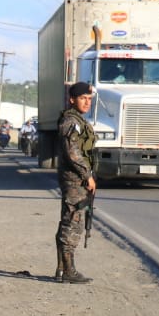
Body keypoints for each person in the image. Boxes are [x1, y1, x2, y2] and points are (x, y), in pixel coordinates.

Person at [54, 81, 96, 284]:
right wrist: (87, 175)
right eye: (83, 98)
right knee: (73, 222)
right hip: (74, 179)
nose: (87, 102)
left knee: (68, 220)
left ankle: (62, 269)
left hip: (75, 178)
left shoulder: (77, 120)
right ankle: (68, 271)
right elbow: (72, 152)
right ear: (72, 100)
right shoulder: (71, 122)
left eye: (89, 99)